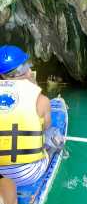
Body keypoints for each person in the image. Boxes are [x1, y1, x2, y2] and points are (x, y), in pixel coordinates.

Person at [0, 45, 63, 186]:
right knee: (52, 134)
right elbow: (45, 128)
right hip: (29, 173)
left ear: (3, 75)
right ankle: (51, 155)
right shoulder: (41, 100)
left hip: (1, 174)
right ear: (27, 69)